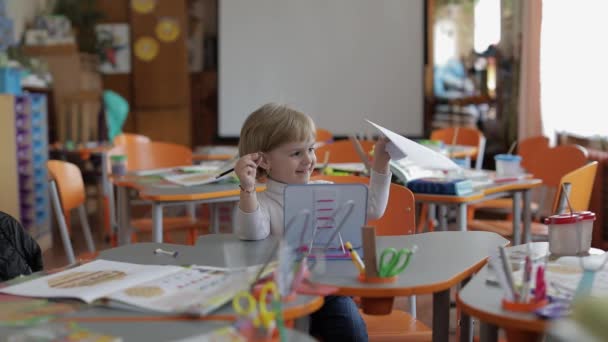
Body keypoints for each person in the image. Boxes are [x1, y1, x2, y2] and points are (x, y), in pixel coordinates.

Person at [234, 103, 392, 341]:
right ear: (263, 161)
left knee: (351, 329)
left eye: (311, 149)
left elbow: (373, 209)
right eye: (296, 153)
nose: (309, 159)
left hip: (329, 290)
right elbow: (253, 233)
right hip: (280, 294)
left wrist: (381, 162)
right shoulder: (262, 202)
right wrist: (248, 189)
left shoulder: (325, 190)